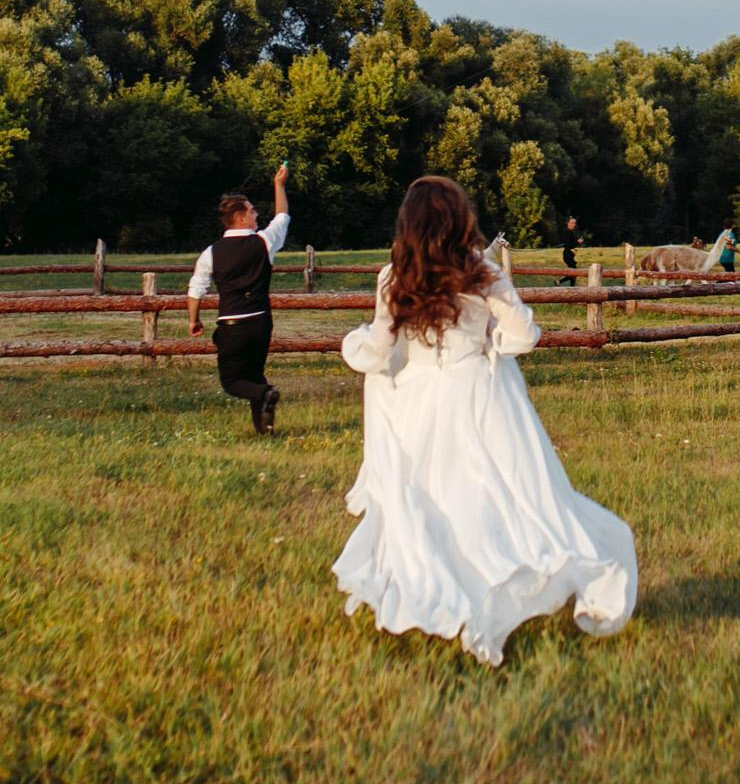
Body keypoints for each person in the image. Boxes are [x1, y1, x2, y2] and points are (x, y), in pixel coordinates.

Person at [335, 175, 636, 666]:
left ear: (408, 223)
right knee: (495, 495)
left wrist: (354, 343)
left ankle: (438, 593)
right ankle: (495, 584)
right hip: (477, 394)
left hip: (417, 402)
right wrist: (491, 346)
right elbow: (523, 335)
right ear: (460, 219)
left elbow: (378, 350)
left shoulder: (395, 277)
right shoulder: (484, 272)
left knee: (429, 500)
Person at [188, 165, 291, 434]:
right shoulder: (264, 243)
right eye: (253, 211)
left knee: (232, 382)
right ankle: (264, 430)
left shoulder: (211, 253)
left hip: (232, 324)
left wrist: (194, 319)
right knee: (254, 376)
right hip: (261, 322)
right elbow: (282, 217)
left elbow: (196, 288)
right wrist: (279, 185)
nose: (256, 214)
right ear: (241, 217)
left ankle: (267, 394)